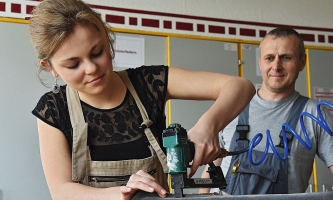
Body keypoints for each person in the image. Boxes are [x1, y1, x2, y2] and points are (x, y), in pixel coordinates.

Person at [28, 0, 255, 199]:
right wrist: (123, 192)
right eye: (73, 64)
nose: (91, 68)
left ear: (107, 40)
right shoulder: (54, 109)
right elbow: (62, 192)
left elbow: (240, 86)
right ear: (50, 68)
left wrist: (209, 126)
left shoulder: (149, 82)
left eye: (97, 52)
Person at [200, 27, 333, 195]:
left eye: (286, 58)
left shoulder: (315, 115)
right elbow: (212, 167)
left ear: (302, 62)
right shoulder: (232, 106)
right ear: (260, 62)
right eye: (269, 58)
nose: (276, 66)